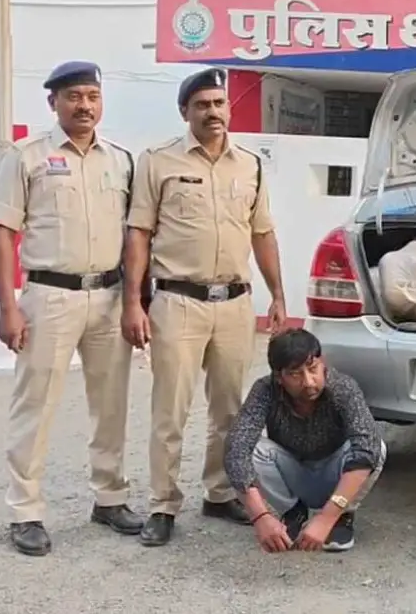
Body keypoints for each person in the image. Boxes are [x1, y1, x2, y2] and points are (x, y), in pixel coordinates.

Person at [121, 67, 290, 547]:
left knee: (229, 410)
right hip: (178, 302)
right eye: (202, 105)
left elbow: (262, 232)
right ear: (185, 112)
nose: (212, 112)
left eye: (219, 103)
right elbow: (139, 233)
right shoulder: (157, 161)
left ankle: (220, 492)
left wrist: (278, 294)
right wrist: (133, 301)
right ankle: (163, 504)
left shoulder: (250, 165)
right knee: (170, 410)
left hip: (234, 304)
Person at [0, 61, 142, 556]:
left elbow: (135, 236)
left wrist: (134, 301)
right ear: (52, 101)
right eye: (74, 96)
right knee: (35, 404)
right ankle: (25, 511)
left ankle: (110, 497)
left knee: (111, 404)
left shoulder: (120, 160)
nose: (84, 106)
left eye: (93, 96)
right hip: (49, 296)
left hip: (109, 296)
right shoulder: (27, 156)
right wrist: (8, 307)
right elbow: (3, 234)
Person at [224, 329, 386, 553]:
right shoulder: (265, 390)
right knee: (252, 450)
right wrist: (260, 517)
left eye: (313, 369)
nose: (309, 382)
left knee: (375, 449)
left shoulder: (343, 387)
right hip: (295, 473)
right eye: (295, 374)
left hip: (336, 474)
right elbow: (236, 450)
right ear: (278, 377)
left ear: (322, 363)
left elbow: (367, 448)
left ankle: (342, 516)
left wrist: (326, 518)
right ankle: (293, 513)